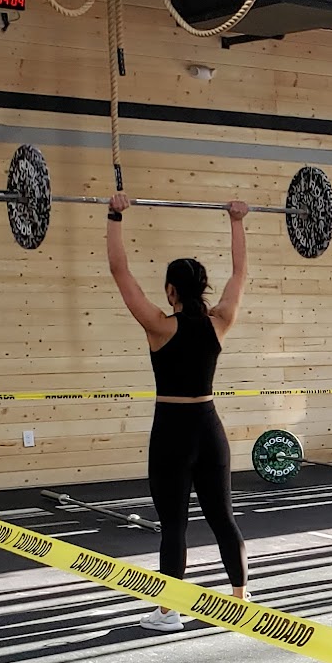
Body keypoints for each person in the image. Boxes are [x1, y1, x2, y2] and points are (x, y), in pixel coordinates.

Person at [106, 193, 249, 630]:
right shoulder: (220, 321)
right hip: (209, 428)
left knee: (174, 525)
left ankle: (169, 612)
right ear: (201, 287)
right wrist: (236, 221)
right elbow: (240, 273)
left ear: (171, 290)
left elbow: (119, 271)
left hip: (172, 433)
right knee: (223, 518)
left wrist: (115, 215)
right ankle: (241, 598)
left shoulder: (158, 325)